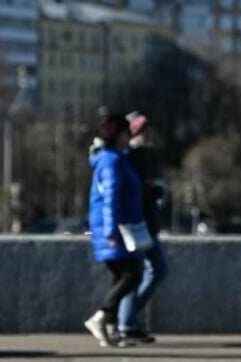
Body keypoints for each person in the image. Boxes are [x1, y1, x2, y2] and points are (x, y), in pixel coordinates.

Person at [83, 114, 145, 348]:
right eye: (128, 133)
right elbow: (110, 199)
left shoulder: (117, 158)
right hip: (115, 228)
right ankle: (101, 317)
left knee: (121, 275)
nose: (131, 137)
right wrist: (111, 232)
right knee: (133, 274)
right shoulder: (112, 162)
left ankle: (110, 329)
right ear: (119, 136)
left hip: (119, 226)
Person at [116, 112, 168, 343]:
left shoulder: (143, 156)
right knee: (146, 272)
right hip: (138, 224)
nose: (149, 134)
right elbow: (132, 190)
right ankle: (126, 322)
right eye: (144, 130)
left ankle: (129, 321)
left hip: (145, 223)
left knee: (147, 272)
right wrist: (151, 191)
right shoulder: (130, 157)